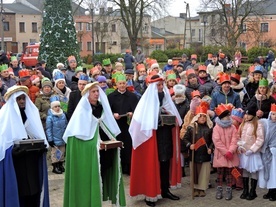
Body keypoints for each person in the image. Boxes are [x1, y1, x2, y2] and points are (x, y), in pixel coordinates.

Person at [63, 82, 126, 207]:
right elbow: (78, 136)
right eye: (93, 92)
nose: (96, 94)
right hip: (89, 153)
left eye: (97, 91)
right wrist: (93, 144)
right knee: (88, 180)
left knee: (104, 173)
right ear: (87, 94)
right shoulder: (82, 110)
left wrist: (112, 140)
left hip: (104, 150)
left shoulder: (102, 108)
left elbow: (106, 126)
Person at [129, 75, 183, 206]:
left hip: (166, 138)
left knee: (165, 163)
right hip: (152, 140)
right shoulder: (146, 102)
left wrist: (169, 119)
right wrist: (157, 122)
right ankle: (150, 194)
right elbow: (141, 123)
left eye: (161, 85)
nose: (160, 88)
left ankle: (165, 190)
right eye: (158, 85)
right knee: (152, 165)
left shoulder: (166, 100)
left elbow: (175, 119)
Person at [0, 85, 49, 207]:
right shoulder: (4, 118)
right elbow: (2, 145)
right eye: (18, 99)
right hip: (16, 166)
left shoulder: (30, 116)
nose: (22, 101)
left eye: (23, 98)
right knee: (19, 194)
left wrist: (41, 148)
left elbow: (37, 137)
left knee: (33, 193)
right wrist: (11, 152)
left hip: (32, 164)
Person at [108, 73, 139, 174]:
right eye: (120, 83)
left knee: (128, 146)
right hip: (116, 125)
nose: (122, 85)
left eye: (123, 83)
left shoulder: (132, 96)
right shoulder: (111, 97)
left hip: (128, 125)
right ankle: (118, 167)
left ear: (126, 84)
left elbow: (138, 111)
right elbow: (107, 112)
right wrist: (113, 114)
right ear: (116, 84)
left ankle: (128, 167)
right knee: (117, 146)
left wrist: (132, 113)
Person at [183, 104, 213, 197]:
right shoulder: (191, 128)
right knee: (195, 172)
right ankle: (195, 188)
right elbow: (185, 139)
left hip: (205, 154)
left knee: (204, 172)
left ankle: (202, 188)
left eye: (204, 116)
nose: (203, 118)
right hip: (194, 154)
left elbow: (212, 141)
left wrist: (211, 148)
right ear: (197, 117)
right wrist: (189, 145)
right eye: (201, 116)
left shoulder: (209, 128)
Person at [213, 104, 239, 201]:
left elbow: (235, 139)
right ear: (222, 117)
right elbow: (217, 141)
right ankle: (219, 189)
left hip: (230, 154)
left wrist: (231, 151)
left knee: (229, 173)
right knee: (220, 173)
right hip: (221, 154)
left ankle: (229, 189)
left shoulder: (232, 127)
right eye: (227, 115)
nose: (229, 117)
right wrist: (225, 152)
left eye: (229, 115)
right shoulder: (216, 128)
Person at [238, 103, 264, 200]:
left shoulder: (258, 124)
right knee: (245, 171)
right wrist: (239, 146)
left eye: (249, 114)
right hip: (244, 152)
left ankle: (253, 191)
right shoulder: (243, 124)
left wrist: (252, 150)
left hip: (252, 153)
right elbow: (239, 136)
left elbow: (260, 139)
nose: (246, 116)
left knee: (253, 171)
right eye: (246, 114)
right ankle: (245, 190)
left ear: (253, 115)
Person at [46, 96, 68, 174]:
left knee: (62, 151)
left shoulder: (63, 115)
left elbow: (65, 125)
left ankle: (60, 164)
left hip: (62, 138)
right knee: (55, 153)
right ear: (52, 108)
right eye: (55, 107)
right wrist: (50, 139)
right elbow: (48, 129)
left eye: (58, 106)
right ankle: (55, 166)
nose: (57, 108)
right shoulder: (50, 117)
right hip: (55, 139)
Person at [259, 103, 276, 201]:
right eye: (273, 114)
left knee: (274, 172)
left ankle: (274, 191)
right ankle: (270, 190)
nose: (275, 117)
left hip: (274, 152)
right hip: (266, 151)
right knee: (268, 171)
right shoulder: (265, 123)